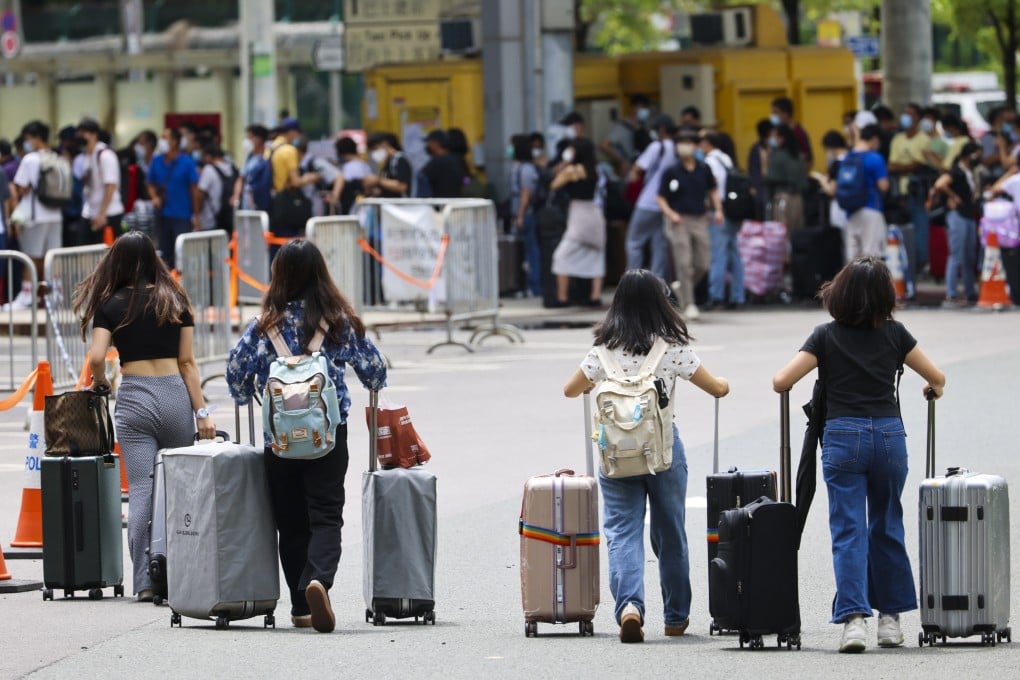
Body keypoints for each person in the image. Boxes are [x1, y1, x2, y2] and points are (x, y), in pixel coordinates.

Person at [772, 256, 945, 653]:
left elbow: (782, 380)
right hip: (888, 436)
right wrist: (931, 389)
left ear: (842, 293)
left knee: (848, 530)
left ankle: (853, 621)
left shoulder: (825, 336)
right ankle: (890, 620)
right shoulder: (896, 334)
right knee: (887, 525)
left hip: (843, 437)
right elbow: (937, 377)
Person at [226, 239, 387, 633]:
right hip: (328, 437)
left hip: (278, 442)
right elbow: (376, 372)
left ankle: (300, 607)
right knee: (326, 515)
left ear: (279, 276)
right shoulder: (337, 322)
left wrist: (250, 390)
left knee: (291, 521)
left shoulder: (264, 327)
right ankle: (319, 580)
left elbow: (235, 377)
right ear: (321, 275)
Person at [562, 269, 729, 643]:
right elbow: (715, 386)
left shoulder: (602, 350)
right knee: (671, 532)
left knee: (622, 531)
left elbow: (572, 390)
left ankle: (630, 608)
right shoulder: (672, 347)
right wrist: (724, 385)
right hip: (664, 453)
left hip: (616, 456)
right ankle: (675, 617)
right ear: (660, 303)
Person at [73, 231, 215, 600]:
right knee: (179, 488)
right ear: (154, 260)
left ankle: (145, 583)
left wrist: (102, 383)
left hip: (135, 398)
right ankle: (179, 573)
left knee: (141, 490)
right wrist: (202, 412)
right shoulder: (176, 299)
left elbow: (95, 358)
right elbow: (188, 363)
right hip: (173, 394)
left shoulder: (110, 305)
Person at [657, 127, 723, 320]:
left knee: (703, 262)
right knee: (684, 262)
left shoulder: (704, 168)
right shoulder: (671, 170)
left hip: (700, 218)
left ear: (695, 146)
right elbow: (660, 198)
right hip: (679, 220)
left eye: (688, 143)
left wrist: (718, 209)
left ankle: (683, 289)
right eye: (681, 143)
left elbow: (713, 190)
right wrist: (671, 214)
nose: (684, 147)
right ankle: (689, 304)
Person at [6, 121, 63, 311]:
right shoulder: (56, 156)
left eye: (28, 138)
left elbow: (21, 187)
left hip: (34, 215)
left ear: (36, 137)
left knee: (30, 256)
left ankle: (27, 296)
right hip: (55, 214)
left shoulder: (30, 159)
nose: (26, 143)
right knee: (51, 256)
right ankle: (55, 294)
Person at [550, 138, 606, 306]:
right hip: (595, 213)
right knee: (597, 256)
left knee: (561, 256)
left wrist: (564, 163)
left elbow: (554, 185)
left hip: (579, 214)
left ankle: (562, 297)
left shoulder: (573, 170)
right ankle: (595, 296)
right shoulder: (596, 170)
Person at [624, 113, 676, 280]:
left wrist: (630, 177)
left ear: (661, 130)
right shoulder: (676, 148)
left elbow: (637, 170)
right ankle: (657, 284)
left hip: (647, 201)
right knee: (659, 244)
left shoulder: (656, 147)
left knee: (634, 243)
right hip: (666, 204)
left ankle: (631, 281)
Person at [932, 142, 982, 305]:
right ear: (968, 155)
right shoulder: (957, 171)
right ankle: (951, 292)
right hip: (957, 215)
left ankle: (969, 291)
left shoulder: (969, 172)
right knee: (956, 254)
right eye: (976, 154)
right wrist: (953, 196)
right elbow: (940, 184)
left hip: (968, 215)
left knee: (969, 256)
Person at [700, 131, 744, 310]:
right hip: (734, 211)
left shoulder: (710, 161)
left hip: (720, 211)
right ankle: (737, 296)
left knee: (718, 254)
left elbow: (714, 187)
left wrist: (711, 207)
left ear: (708, 143)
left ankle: (716, 295)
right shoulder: (726, 158)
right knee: (735, 254)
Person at [146, 128, 199, 269]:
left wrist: (196, 215)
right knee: (164, 253)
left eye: (165, 138)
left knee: (182, 253)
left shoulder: (187, 162)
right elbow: (150, 183)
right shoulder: (157, 161)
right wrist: (155, 197)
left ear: (175, 142)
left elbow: (194, 190)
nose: (162, 141)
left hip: (182, 215)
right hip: (162, 214)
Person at [843, 125, 890, 260]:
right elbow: (883, 186)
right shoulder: (875, 158)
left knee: (854, 259)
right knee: (872, 257)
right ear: (875, 139)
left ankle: (853, 282)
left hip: (850, 210)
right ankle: (872, 282)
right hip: (871, 209)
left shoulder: (848, 157)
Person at [78, 117, 124, 245]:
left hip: (108, 213)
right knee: (86, 250)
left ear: (94, 134)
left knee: (108, 253)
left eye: (84, 133)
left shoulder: (105, 155)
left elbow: (110, 185)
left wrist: (102, 213)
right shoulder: (87, 155)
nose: (80, 137)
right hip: (90, 212)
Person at [509, 134, 543, 297]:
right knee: (524, 252)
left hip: (526, 215)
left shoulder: (526, 169)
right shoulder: (522, 167)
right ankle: (525, 286)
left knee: (530, 252)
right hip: (522, 214)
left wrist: (520, 215)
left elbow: (526, 193)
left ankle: (534, 286)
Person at [766, 123, 808, 232]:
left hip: (782, 198)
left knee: (782, 233)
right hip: (798, 199)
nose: (773, 139)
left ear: (782, 138)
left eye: (775, 136)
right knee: (796, 231)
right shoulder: (800, 156)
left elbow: (770, 178)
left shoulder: (777, 156)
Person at [600, 94, 652, 177]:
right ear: (634, 108)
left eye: (646, 108)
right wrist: (621, 161)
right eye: (642, 107)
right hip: (630, 170)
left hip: (645, 169)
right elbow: (604, 145)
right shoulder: (622, 127)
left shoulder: (646, 127)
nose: (645, 110)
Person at [195, 144, 237, 231]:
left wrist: (196, 215)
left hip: (210, 219)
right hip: (230, 217)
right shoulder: (232, 168)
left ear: (209, 156)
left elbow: (200, 194)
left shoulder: (209, 170)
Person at [233, 124, 272, 213]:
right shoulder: (249, 157)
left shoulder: (266, 158)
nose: (247, 141)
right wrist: (236, 196)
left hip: (260, 204)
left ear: (258, 139)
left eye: (249, 138)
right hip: (246, 204)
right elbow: (241, 178)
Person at [419, 130, 465, 199]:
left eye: (429, 142)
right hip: (456, 202)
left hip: (440, 204)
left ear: (436, 143)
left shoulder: (437, 162)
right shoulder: (457, 160)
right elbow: (466, 180)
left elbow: (421, 178)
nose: (427, 145)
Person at [364, 133, 412, 198]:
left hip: (401, 206)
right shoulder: (388, 163)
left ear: (385, 144)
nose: (374, 153)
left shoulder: (400, 160)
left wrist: (378, 180)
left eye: (375, 149)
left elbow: (402, 186)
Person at [333, 136, 372, 215]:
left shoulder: (347, 168)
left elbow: (336, 195)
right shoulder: (365, 166)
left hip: (352, 209)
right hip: (366, 207)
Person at [771, 97, 813, 166]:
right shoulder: (775, 132)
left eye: (775, 113)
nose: (773, 116)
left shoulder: (799, 133)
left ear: (785, 113)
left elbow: (809, 160)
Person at [747, 118, 773, 220]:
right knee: (761, 213)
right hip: (761, 186)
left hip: (772, 185)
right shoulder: (756, 149)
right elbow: (753, 168)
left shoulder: (775, 148)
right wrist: (753, 185)